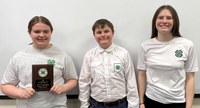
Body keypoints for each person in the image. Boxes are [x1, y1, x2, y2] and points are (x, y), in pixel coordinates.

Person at [1, 16, 78, 108]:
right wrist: (21, 93)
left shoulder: (62, 55)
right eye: (37, 31)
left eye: (46, 31)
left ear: (51, 32)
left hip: (56, 105)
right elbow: (5, 86)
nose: (41, 35)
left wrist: (63, 88)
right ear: (29, 33)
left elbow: (73, 79)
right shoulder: (19, 57)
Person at [137, 5, 199, 108]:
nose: (164, 21)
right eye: (160, 17)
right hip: (151, 100)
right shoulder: (145, 46)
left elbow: (190, 78)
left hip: (177, 101)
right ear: (155, 21)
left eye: (169, 18)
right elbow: (141, 74)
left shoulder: (187, 45)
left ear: (175, 21)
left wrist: (189, 106)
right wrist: (141, 102)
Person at [79, 19, 139, 108]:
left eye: (106, 31)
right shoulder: (89, 56)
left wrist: (133, 106)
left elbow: (131, 81)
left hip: (121, 104)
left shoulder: (123, 53)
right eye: (99, 32)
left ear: (113, 33)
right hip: (97, 105)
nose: (103, 35)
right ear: (94, 35)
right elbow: (84, 82)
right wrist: (84, 105)